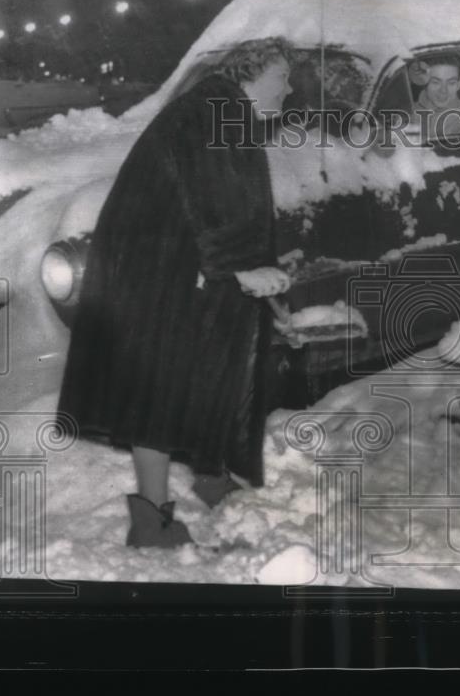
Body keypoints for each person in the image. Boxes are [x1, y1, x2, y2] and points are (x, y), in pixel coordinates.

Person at [55, 38, 295, 548]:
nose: (289, 88)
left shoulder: (222, 108)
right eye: (283, 78)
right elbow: (206, 198)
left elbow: (227, 203)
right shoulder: (213, 111)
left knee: (202, 370)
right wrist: (238, 268)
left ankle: (208, 473)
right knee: (158, 389)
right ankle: (152, 522)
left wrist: (252, 263)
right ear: (252, 74)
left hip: (174, 263)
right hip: (158, 269)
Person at [411, 56, 460, 138]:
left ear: (459, 84)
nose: (443, 90)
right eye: (435, 82)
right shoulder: (410, 110)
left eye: (451, 83)